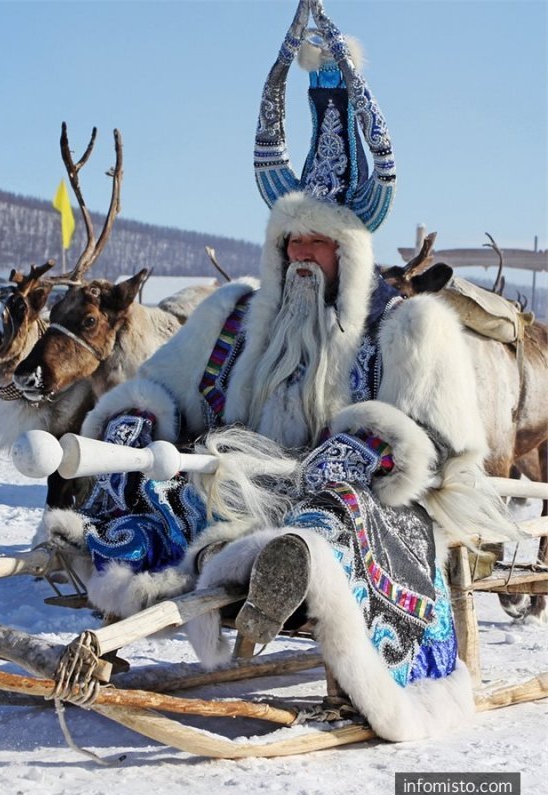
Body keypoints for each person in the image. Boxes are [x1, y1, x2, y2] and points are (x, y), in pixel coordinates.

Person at [42, 0, 517, 741]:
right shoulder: (232, 317)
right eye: (288, 238)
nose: (300, 253)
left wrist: (360, 451)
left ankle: (293, 566)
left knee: (343, 506)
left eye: (317, 243)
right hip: (239, 497)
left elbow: (443, 460)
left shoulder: (407, 329)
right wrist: (136, 424)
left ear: (349, 252)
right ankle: (130, 551)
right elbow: (161, 388)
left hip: (352, 507)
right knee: (154, 476)